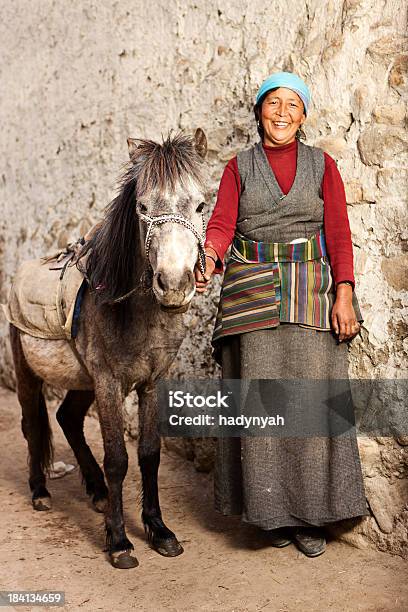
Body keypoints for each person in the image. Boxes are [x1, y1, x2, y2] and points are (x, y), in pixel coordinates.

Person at [195, 71, 369, 558]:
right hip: (250, 290)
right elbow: (223, 223)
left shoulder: (322, 166)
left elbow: (338, 233)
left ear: (304, 116)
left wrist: (345, 293)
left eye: (293, 105)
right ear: (258, 110)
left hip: (312, 289)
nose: (282, 113)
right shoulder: (239, 167)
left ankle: (311, 515)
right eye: (273, 103)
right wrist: (209, 257)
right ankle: (269, 514)